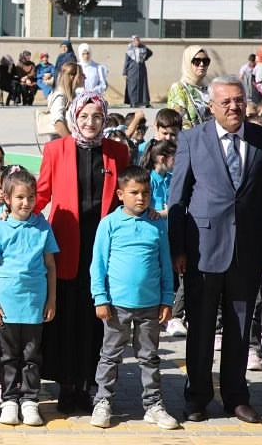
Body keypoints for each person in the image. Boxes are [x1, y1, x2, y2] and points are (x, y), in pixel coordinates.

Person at [168, 75, 262, 425]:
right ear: (212, 107)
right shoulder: (191, 140)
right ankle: (197, 396)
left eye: (239, 100)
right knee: (200, 328)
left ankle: (236, 396)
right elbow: (178, 198)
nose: (234, 107)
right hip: (202, 249)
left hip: (248, 250)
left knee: (239, 325)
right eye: (226, 102)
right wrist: (178, 249)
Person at [34, 91, 130, 413]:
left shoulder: (117, 152)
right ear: (75, 117)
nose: (90, 123)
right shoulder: (56, 150)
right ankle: (68, 384)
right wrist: (13, 216)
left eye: (97, 117)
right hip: (66, 245)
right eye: (85, 117)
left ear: (105, 119)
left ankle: (92, 385)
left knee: (97, 318)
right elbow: (42, 194)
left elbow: (125, 197)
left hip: (104, 247)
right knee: (68, 318)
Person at [89, 166, 179, 430]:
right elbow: (99, 265)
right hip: (117, 306)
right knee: (110, 356)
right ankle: (103, 401)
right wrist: (100, 298)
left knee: (149, 357)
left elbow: (165, 263)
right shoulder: (109, 224)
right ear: (120, 194)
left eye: (146, 193)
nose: (141, 198)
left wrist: (167, 299)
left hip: (150, 305)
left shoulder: (157, 225)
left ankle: (153, 405)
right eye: (134, 193)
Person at [0, 167, 58, 427]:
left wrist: (51, 301)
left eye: (30, 197)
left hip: (34, 304)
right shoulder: (0, 228)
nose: (25, 203)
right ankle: (9, 400)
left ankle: (29, 400)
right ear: (7, 198)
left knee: (31, 355)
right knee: (7, 356)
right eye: (19, 198)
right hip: (6, 305)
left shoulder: (43, 227)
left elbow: (50, 266)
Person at [167, 47, 211, 130]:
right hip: (190, 139)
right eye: (197, 61)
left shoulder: (209, 89)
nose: (202, 64)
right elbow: (178, 122)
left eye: (205, 61)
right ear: (188, 63)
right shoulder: (179, 88)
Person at [39, 61, 84, 140]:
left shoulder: (73, 96)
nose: (85, 77)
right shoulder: (60, 96)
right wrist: (72, 143)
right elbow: (58, 123)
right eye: (82, 75)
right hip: (61, 145)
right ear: (73, 77)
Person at [123, 36, 152, 107]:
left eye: (138, 40)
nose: (137, 42)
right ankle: (133, 102)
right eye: (135, 41)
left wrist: (144, 58)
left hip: (142, 69)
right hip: (132, 70)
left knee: (143, 86)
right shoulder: (129, 50)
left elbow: (150, 53)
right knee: (132, 87)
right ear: (132, 41)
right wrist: (125, 72)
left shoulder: (143, 49)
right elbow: (126, 62)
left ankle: (145, 103)